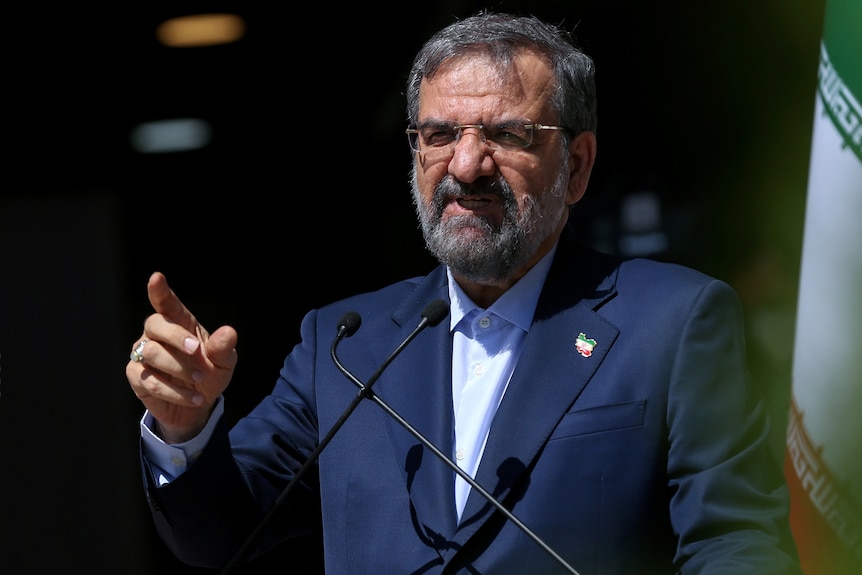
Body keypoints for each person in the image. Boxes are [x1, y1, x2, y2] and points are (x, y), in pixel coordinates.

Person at [127, 11, 803, 575]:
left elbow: (735, 544)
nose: (467, 163)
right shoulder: (341, 346)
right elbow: (220, 533)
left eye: (507, 135)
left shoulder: (675, 321)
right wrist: (185, 429)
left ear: (577, 165)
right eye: (440, 135)